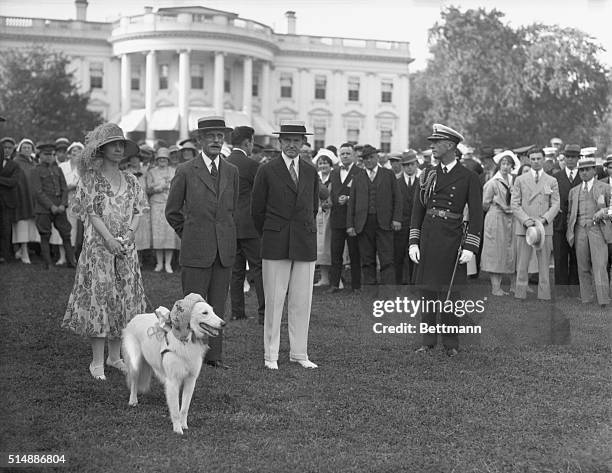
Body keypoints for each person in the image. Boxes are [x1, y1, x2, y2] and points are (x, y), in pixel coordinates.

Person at [62, 123, 148, 380]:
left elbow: (137, 211)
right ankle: (96, 362)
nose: (119, 148)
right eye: (114, 144)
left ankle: (115, 357)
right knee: (100, 301)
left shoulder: (132, 180)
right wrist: (109, 239)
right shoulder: (90, 180)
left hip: (125, 250)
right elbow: (91, 213)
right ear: (102, 149)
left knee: (122, 301)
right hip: (99, 251)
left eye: (122, 144)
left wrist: (130, 235)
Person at [165, 116, 239, 369]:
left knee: (217, 306)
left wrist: (226, 236)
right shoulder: (186, 170)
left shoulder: (231, 171)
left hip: (224, 250)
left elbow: (233, 209)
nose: (216, 140)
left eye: (220, 136)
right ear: (200, 140)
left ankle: (213, 357)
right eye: (211, 136)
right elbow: (172, 211)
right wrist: (190, 234)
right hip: (195, 250)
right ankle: (186, 353)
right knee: (192, 306)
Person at [409, 124, 483, 357]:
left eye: (436, 142)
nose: (431, 146)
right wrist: (413, 241)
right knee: (427, 292)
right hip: (429, 237)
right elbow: (417, 210)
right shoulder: (428, 174)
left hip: (452, 239)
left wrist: (471, 246)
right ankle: (428, 342)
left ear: (450, 146)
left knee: (450, 294)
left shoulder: (469, 177)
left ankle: (451, 345)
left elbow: (477, 216)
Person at [251, 120, 320, 370]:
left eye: (297, 141)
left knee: (302, 301)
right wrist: (273, 230)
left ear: (303, 143)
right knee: (274, 300)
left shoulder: (311, 171)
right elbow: (256, 210)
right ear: (280, 142)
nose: (292, 145)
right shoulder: (267, 170)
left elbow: (313, 207)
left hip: (304, 242)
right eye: (287, 140)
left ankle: (299, 353)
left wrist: (303, 230)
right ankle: (271, 355)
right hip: (275, 241)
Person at [225, 125, 265, 323]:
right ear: (247, 142)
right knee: (258, 269)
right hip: (250, 225)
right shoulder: (252, 165)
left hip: (231, 224)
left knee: (236, 271)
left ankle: (236, 311)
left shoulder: (224, 163)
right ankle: (263, 313)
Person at [347, 144, 402, 285]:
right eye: (365, 158)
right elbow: (352, 202)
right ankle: (371, 291)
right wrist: (350, 225)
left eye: (371, 157)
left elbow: (397, 198)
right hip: (363, 224)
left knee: (387, 259)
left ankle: (387, 292)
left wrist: (396, 219)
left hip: (385, 222)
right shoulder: (358, 177)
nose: (368, 161)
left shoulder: (388, 175)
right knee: (367, 259)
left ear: (377, 157)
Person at [511, 149, 560, 300]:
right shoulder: (520, 179)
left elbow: (556, 204)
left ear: (544, 159)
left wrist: (545, 219)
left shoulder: (551, 180)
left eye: (539, 158)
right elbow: (514, 203)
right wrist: (525, 220)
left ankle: (544, 295)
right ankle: (520, 293)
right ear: (529, 160)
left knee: (544, 264)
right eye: (533, 159)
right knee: (522, 264)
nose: (536, 161)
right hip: (524, 228)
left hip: (544, 227)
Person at [566, 158, 610, 307]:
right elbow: (570, 213)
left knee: (599, 265)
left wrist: (604, 211)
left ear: (593, 170)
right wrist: (570, 229)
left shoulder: (604, 187)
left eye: (587, 169)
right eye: (581, 170)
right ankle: (586, 298)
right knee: (582, 265)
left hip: (597, 229)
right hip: (579, 230)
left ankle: (603, 299)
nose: (584, 172)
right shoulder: (574, 191)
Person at [30, 141, 76, 270]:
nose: (49, 157)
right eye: (46, 154)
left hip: (60, 208)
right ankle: (48, 263)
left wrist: (63, 204)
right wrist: (51, 206)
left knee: (66, 234)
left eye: (51, 154)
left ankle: (71, 262)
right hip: (43, 209)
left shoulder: (58, 169)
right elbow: (38, 192)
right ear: (40, 155)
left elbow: (64, 189)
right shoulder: (35, 170)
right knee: (45, 235)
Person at [481, 151, 520, 295]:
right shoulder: (492, 182)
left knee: (512, 250)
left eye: (508, 164)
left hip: (512, 219)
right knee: (495, 251)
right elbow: (484, 204)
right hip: (496, 218)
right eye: (503, 164)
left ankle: (514, 285)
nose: (505, 166)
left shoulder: (515, 181)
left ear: (512, 166)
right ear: (499, 165)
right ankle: (495, 287)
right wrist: (498, 205)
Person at [328, 143, 362, 293]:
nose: (345, 156)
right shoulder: (334, 172)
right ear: (339, 156)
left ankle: (356, 285)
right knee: (336, 253)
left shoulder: (360, 172)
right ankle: (334, 284)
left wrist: (349, 198)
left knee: (355, 253)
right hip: (336, 218)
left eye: (348, 153)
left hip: (352, 220)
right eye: (342, 154)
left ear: (353, 155)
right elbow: (331, 192)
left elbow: (362, 195)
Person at [553, 144, 581, 294]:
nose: (570, 160)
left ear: (578, 158)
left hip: (578, 224)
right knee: (560, 257)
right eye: (567, 157)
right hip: (560, 224)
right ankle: (561, 290)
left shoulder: (584, 176)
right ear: (564, 158)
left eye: (573, 157)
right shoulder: (556, 177)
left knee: (578, 258)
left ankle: (575, 289)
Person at [146, 147, 178, 273]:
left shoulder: (173, 171)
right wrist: (158, 187)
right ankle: (159, 263)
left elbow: (177, 187)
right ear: (157, 160)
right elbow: (148, 189)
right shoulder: (151, 172)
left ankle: (168, 264)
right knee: (158, 234)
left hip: (169, 205)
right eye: (160, 159)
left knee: (169, 233)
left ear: (168, 160)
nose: (162, 160)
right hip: (156, 205)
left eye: (165, 158)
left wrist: (169, 186)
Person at [394, 150, 421, 285]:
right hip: (400, 224)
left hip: (416, 225)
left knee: (415, 255)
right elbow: (391, 203)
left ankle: (413, 283)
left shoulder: (422, 183)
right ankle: (398, 283)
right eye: (406, 165)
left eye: (411, 164)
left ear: (416, 165)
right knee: (398, 255)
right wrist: (395, 220)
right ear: (402, 167)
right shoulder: (396, 182)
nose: (409, 168)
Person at [12, 139, 38, 264]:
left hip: (33, 199)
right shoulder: (16, 162)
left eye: (29, 147)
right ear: (20, 149)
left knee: (30, 225)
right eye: (24, 147)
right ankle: (23, 250)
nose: (27, 150)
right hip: (21, 199)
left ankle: (24, 250)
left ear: (32, 150)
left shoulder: (34, 163)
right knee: (22, 225)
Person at [57, 141, 83, 263]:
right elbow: (57, 184)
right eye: (73, 150)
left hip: (77, 202)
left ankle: (71, 256)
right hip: (62, 200)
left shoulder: (84, 168)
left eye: (78, 150)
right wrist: (67, 188)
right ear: (69, 153)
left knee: (73, 230)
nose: (75, 152)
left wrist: (77, 187)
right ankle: (62, 256)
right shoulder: (62, 166)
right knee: (61, 227)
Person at [314, 152, 333, 286]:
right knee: (319, 246)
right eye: (320, 163)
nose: (323, 165)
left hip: (331, 216)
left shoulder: (334, 178)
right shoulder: (316, 178)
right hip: (318, 215)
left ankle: (335, 277)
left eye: (325, 162)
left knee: (331, 246)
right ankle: (323, 277)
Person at [0, 144, 20, 262]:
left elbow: (13, 182)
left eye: (9, 148)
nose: (6, 151)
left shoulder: (14, 165)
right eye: (4, 148)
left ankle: (5, 255)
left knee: (6, 228)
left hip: (7, 202)